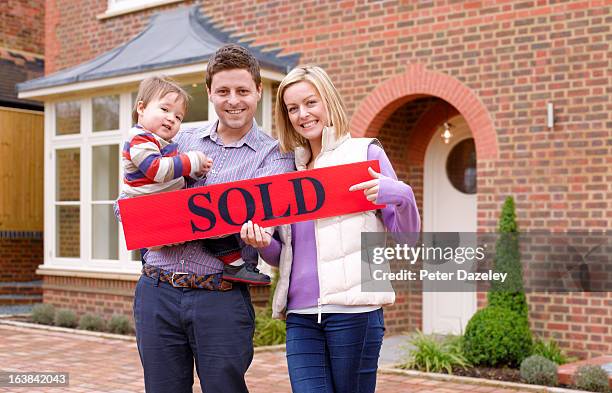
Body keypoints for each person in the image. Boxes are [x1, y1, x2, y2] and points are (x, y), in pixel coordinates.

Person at [121, 44, 294, 393]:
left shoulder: (274, 158)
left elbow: (269, 230)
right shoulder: (176, 138)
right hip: (157, 291)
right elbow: (126, 204)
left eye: (243, 91)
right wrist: (155, 226)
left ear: (259, 91)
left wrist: (262, 238)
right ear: (210, 93)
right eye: (224, 91)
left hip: (221, 299)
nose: (234, 100)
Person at [241, 65, 421, 393]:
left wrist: (402, 195)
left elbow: (407, 237)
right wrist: (264, 243)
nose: (303, 114)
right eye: (292, 108)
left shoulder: (364, 154)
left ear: (328, 101)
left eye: (311, 103)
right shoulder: (287, 171)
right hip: (301, 315)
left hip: (356, 313)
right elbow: (286, 253)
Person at [124, 75, 270, 285]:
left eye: (178, 117)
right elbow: (156, 170)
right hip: (156, 211)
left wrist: (195, 173)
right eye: (164, 110)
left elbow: (172, 173)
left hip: (167, 209)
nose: (171, 119)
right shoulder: (140, 139)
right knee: (210, 218)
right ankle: (235, 266)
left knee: (211, 222)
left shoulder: (164, 141)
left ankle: (235, 265)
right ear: (141, 108)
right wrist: (191, 160)